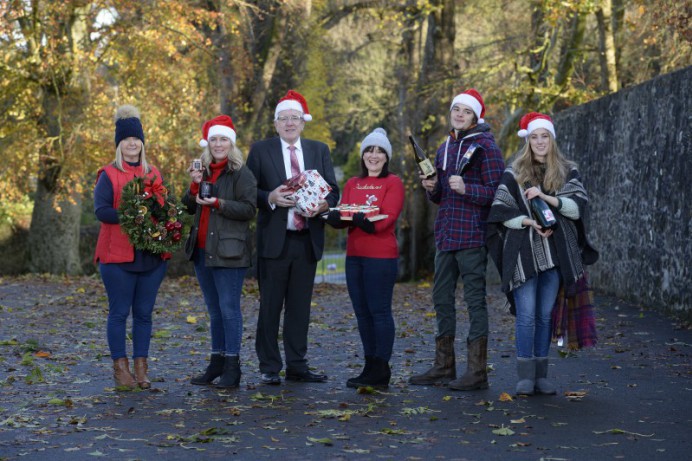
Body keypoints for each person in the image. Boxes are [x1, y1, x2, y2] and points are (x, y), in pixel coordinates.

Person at [486, 112, 597, 395]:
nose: (539, 141)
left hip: (555, 256)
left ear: (552, 139)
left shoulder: (567, 171)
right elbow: (500, 211)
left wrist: (546, 197)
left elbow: (576, 208)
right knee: (526, 315)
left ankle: (541, 374)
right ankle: (524, 376)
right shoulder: (514, 172)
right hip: (524, 256)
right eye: (534, 137)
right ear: (528, 141)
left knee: (545, 316)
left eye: (544, 136)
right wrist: (527, 222)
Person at [409, 88, 505, 391]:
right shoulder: (444, 147)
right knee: (441, 299)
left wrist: (467, 188)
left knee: (475, 301)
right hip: (446, 234)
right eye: (456, 110)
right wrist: (431, 187)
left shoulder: (486, 147)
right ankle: (444, 367)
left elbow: (497, 194)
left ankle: (477, 372)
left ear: (476, 116)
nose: (460, 114)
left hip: (473, 235)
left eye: (466, 110)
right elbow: (440, 196)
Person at [246, 90, 339, 385]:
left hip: (306, 239)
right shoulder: (261, 151)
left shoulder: (319, 150)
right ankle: (269, 367)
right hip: (275, 240)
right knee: (270, 306)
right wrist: (269, 196)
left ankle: (298, 365)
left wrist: (325, 205)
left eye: (294, 118)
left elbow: (333, 191)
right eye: (283, 118)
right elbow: (247, 190)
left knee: (300, 307)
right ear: (275, 124)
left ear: (302, 122)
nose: (289, 123)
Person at [94, 105, 168, 390]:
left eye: (136, 139)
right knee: (119, 313)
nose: (132, 143)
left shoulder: (154, 173)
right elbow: (101, 211)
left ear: (142, 142)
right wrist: (132, 212)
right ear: (119, 144)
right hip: (117, 257)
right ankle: (120, 369)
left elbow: (164, 210)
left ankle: (141, 367)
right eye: (126, 139)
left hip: (151, 257)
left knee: (145, 313)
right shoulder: (108, 174)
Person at [325, 128, 405, 388]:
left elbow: (388, 217)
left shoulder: (393, 182)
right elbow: (346, 214)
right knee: (362, 313)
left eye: (379, 151)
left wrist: (367, 222)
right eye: (369, 150)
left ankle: (382, 368)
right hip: (355, 256)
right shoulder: (352, 184)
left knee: (379, 311)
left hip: (380, 257)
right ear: (363, 155)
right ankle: (369, 365)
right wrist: (335, 219)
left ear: (386, 156)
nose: (374, 155)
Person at [182, 115, 257, 389]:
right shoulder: (202, 170)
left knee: (229, 310)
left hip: (229, 253)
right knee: (214, 312)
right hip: (202, 251)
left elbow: (249, 209)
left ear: (231, 143)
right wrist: (194, 185)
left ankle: (232, 366)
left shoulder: (240, 173)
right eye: (213, 139)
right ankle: (216, 362)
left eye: (223, 139)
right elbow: (188, 206)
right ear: (208, 143)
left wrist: (218, 203)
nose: (218, 144)